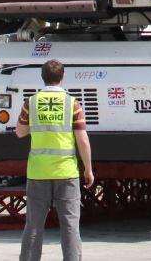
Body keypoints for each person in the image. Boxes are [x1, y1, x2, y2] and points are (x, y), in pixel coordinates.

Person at [16, 59, 94, 261]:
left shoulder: (31, 102)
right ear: (62, 77)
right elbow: (82, 140)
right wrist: (88, 169)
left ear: (43, 77)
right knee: (70, 227)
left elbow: (20, 132)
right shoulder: (72, 103)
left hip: (38, 173)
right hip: (66, 173)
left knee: (33, 225)